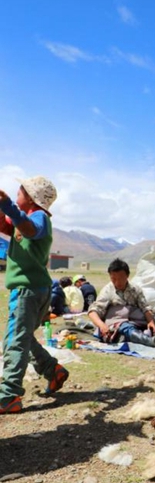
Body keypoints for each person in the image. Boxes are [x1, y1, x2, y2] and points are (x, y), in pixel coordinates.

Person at [0, 176, 69, 414]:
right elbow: (6, 226)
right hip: (33, 289)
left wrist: (7, 204)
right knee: (24, 337)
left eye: (20, 191)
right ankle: (53, 371)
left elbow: (29, 230)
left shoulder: (39, 218)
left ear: (30, 198)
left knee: (15, 341)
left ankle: (9, 396)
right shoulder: (23, 219)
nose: (16, 193)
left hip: (27, 291)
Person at [88, 258, 155, 347]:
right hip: (117, 321)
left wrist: (151, 322)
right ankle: (149, 341)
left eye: (121, 278)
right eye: (114, 279)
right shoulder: (107, 291)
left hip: (136, 320)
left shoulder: (135, 289)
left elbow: (145, 308)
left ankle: (131, 337)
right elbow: (93, 312)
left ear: (127, 275)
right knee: (127, 328)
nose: (117, 282)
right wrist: (102, 326)